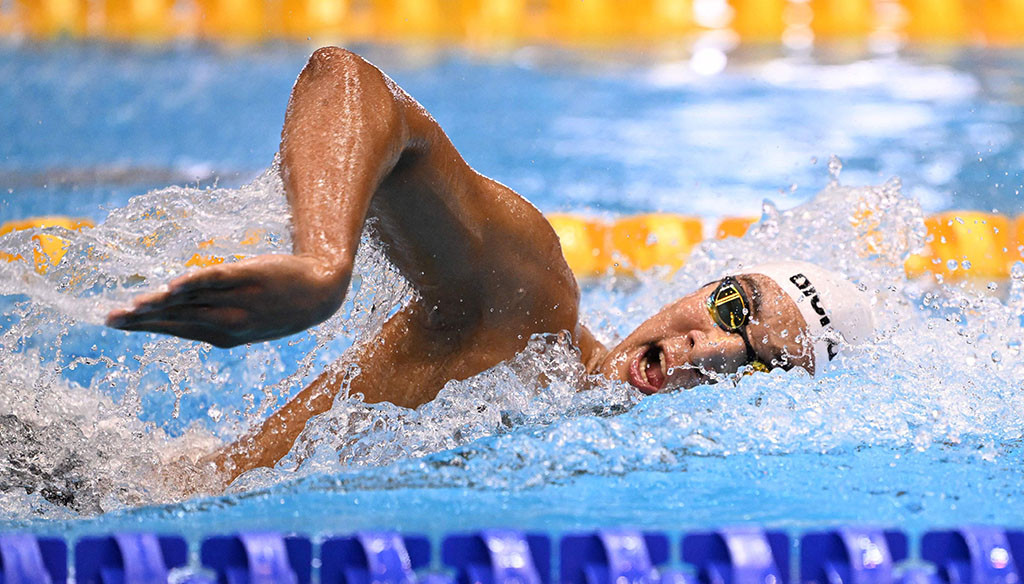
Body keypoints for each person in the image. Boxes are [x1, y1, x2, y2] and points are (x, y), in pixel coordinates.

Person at [106, 47, 873, 484]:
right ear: (707, 284)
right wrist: (322, 265)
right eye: (734, 310)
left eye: (761, 366)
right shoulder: (527, 315)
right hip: (117, 493)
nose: (713, 349)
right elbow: (348, 80)